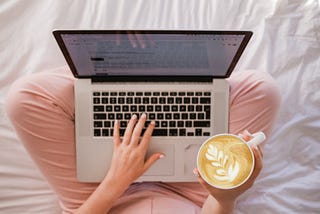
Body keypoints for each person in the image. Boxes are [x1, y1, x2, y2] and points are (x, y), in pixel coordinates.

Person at [5, 67, 281, 213]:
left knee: (24, 98)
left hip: (102, 197)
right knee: (262, 89)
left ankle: (107, 72)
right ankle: (180, 75)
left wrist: (116, 180)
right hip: (196, 197)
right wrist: (225, 196)